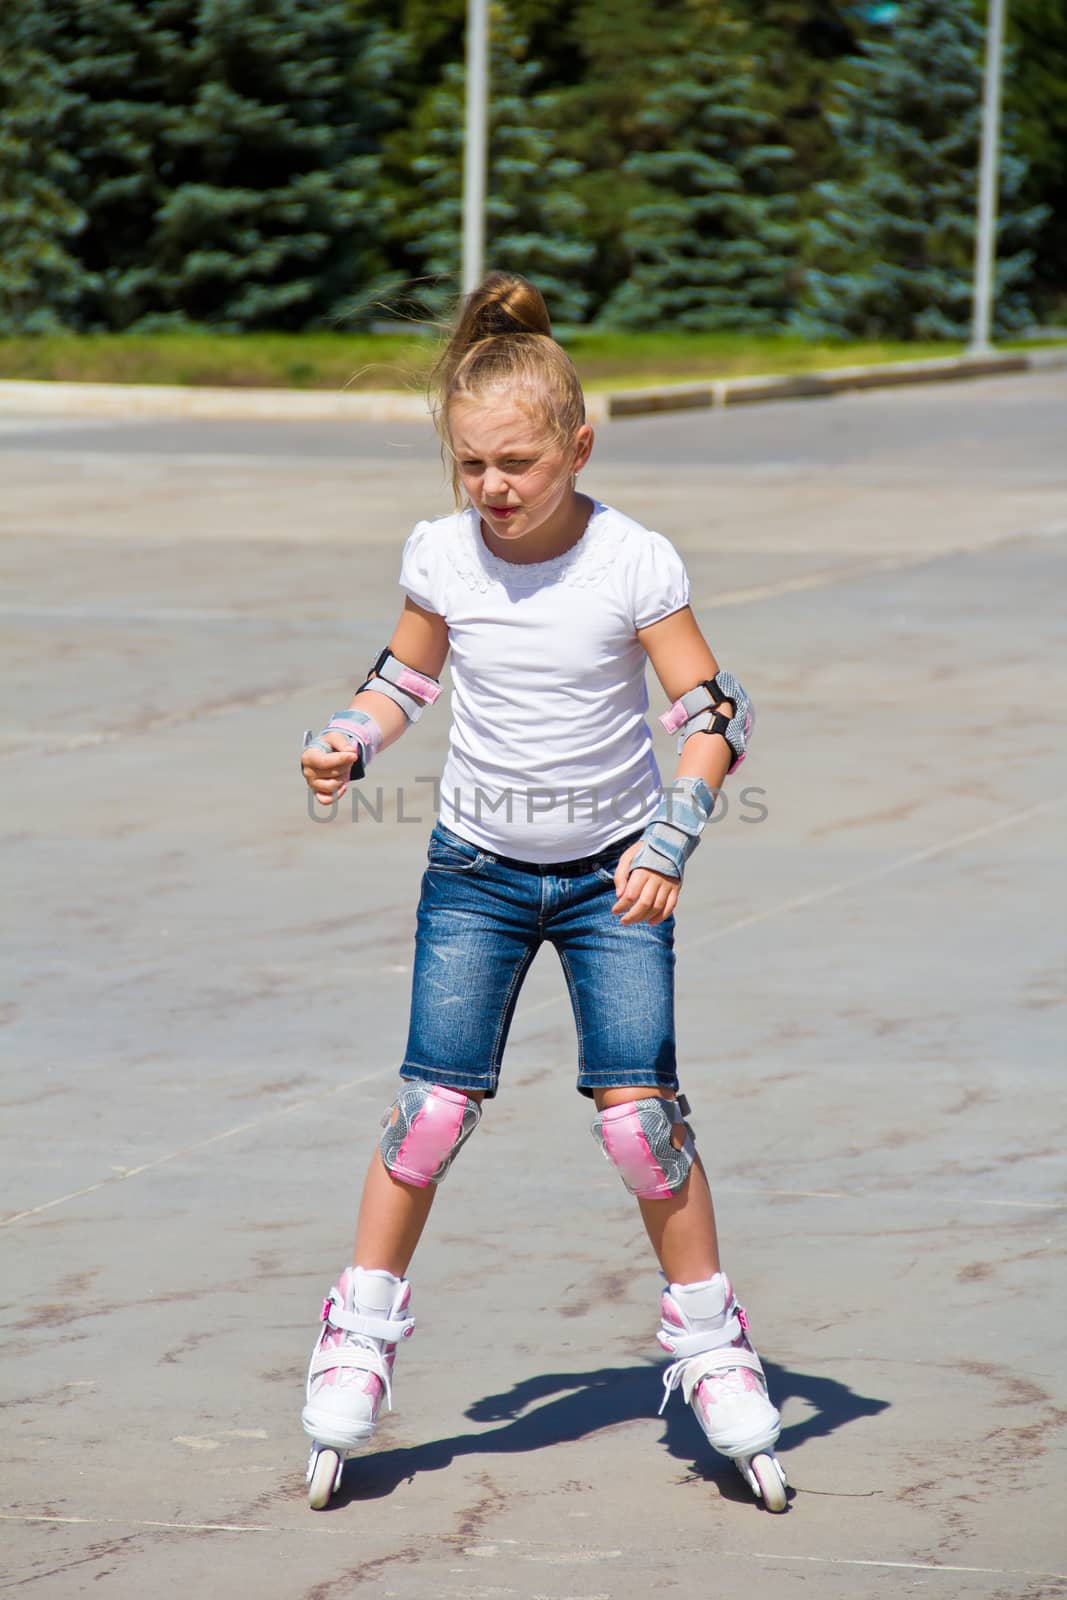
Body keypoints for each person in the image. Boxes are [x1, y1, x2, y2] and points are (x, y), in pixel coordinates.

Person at [297, 273, 787, 1512]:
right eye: (469, 466)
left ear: (578, 444)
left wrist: (672, 833)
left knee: (641, 1122)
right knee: (429, 1113)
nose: (492, 489)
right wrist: (350, 735)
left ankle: (710, 1338)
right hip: (472, 871)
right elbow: (405, 678)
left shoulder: (632, 560)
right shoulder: (439, 553)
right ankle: (357, 1331)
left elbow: (709, 712)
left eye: (516, 462)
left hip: (612, 872)